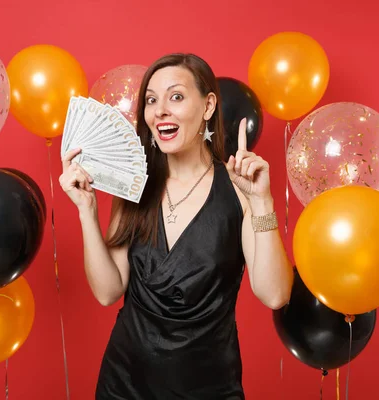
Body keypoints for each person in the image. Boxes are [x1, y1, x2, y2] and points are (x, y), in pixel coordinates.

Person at [59, 53, 293, 399]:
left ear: (208, 105)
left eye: (176, 97)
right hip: (125, 384)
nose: (160, 111)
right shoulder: (135, 185)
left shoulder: (239, 191)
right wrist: (86, 210)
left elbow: (274, 294)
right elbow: (108, 291)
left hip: (208, 388)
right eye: (151, 100)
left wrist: (263, 202)